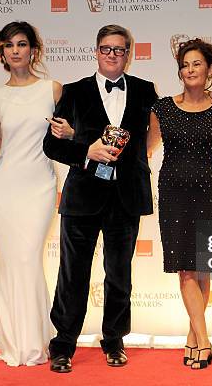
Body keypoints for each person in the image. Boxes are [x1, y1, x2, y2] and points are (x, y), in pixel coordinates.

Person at [42, 24, 158, 373]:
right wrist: (86, 149)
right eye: (106, 48)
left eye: (119, 50)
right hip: (82, 197)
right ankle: (63, 343)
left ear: (128, 54)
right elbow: (52, 144)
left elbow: (149, 139)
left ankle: (114, 340)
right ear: (96, 51)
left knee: (119, 273)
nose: (112, 55)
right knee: (72, 273)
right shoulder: (74, 91)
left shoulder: (145, 90)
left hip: (126, 194)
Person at [0, 21, 72, 367]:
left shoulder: (53, 90)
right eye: (9, 45)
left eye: (22, 44)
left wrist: (69, 133)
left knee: (28, 259)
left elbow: (65, 136)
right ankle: (13, 343)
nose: (16, 50)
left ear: (33, 49)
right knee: (10, 263)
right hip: (4, 187)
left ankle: (36, 342)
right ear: (2, 52)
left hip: (39, 186)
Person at [147, 39, 212, 370]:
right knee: (184, 267)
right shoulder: (163, 108)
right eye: (185, 65)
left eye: (197, 64)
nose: (190, 70)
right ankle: (205, 340)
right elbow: (148, 147)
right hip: (173, 193)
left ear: (210, 69)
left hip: (209, 191)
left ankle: (193, 336)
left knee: (203, 266)